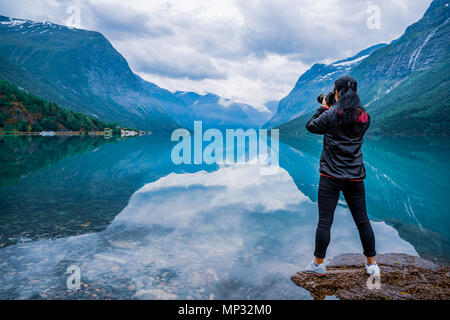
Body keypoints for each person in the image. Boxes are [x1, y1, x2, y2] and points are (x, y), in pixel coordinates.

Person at [304, 76, 380, 277]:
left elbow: (311, 126)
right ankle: (372, 265)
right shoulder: (364, 116)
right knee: (362, 220)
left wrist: (323, 107)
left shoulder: (331, 114)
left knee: (325, 222)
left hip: (330, 176)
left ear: (336, 92)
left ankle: (318, 265)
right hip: (355, 175)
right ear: (355, 92)